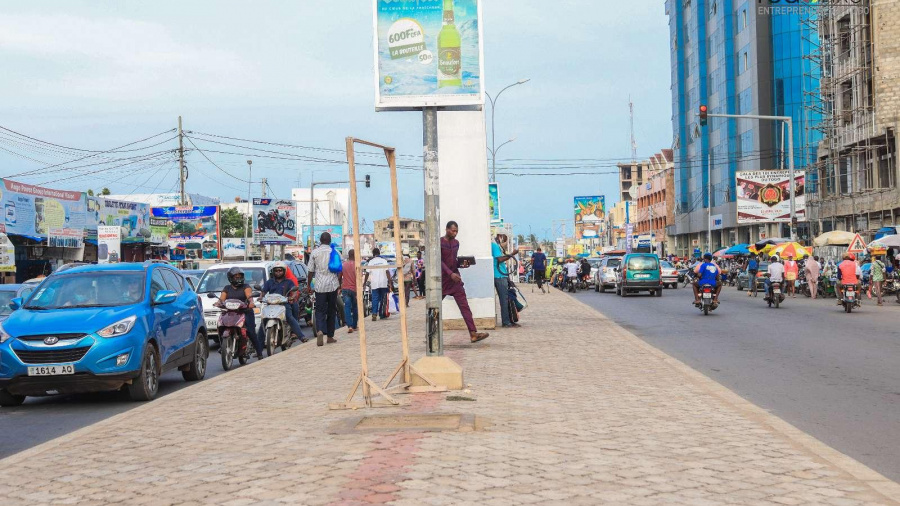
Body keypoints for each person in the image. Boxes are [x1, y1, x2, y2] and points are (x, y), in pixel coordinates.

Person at [441, 221, 489, 342]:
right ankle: (430, 335)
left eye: (456, 231)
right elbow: (439, 261)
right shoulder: (440, 243)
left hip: (455, 281)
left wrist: (462, 264)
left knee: (465, 307)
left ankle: (473, 333)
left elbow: (453, 261)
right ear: (447, 229)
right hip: (442, 281)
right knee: (433, 308)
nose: (455, 233)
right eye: (453, 230)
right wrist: (449, 273)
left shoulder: (456, 243)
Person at [220, 267, 264, 360]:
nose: (238, 278)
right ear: (230, 278)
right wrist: (218, 303)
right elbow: (222, 299)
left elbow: (249, 296)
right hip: (231, 312)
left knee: (251, 332)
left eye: (240, 276)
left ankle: (259, 352)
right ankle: (223, 346)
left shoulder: (246, 286)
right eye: (235, 276)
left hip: (245, 312)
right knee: (222, 325)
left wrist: (251, 303)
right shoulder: (227, 288)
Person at [259, 261, 307, 343]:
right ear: (273, 272)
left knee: (290, 318)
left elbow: (295, 291)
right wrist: (260, 297)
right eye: (276, 271)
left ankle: (301, 336)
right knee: (264, 321)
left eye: (280, 270)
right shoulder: (269, 282)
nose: (278, 272)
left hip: (284, 305)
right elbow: (263, 292)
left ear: (284, 271)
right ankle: (259, 350)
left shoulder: (289, 282)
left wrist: (292, 297)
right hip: (271, 305)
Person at [307, 232, 340, 346]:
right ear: (330, 240)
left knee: (320, 310)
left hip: (320, 286)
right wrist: (339, 283)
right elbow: (340, 270)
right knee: (331, 310)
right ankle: (330, 336)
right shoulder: (335, 252)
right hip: (332, 286)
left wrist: (308, 285)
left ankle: (320, 330)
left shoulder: (315, 253)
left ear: (320, 241)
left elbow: (311, 271)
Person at [493, 233, 520, 328]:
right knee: (504, 299)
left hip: (503, 275)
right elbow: (500, 260)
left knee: (508, 298)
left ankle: (510, 319)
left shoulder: (498, 247)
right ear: (500, 238)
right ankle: (506, 321)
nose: (505, 243)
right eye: (505, 241)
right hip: (499, 276)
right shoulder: (494, 246)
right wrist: (512, 254)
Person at [366, 247, 390, 321]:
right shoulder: (384, 261)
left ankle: (374, 314)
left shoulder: (371, 262)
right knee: (383, 298)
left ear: (373, 254)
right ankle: (382, 314)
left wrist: (364, 283)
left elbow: (367, 273)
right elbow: (387, 272)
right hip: (383, 283)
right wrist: (390, 281)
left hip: (375, 283)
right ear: (379, 253)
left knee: (375, 299)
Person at [340, 249, 359, 333]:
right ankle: (354, 325)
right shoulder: (357, 265)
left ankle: (349, 326)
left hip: (345, 289)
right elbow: (359, 278)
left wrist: (339, 286)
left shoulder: (343, 264)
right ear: (355, 255)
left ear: (348, 255)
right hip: (355, 289)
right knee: (355, 307)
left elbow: (339, 276)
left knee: (347, 307)